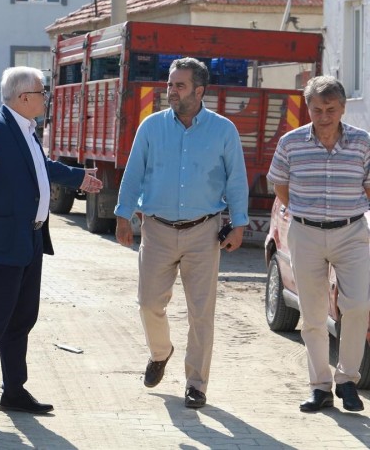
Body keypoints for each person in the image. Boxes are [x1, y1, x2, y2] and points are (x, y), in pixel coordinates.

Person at [0, 66, 102, 425]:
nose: (45, 98)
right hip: (1, 243)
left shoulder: (27, 128)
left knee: (22, 319)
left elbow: (40, 167)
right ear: (23, 97)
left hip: (30, 238)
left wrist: (79, 177)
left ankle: (14, 391)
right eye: (41, 92)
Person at [113, 56, 248, 409]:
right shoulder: (151, 127)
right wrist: (123, 216)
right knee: (148, 303)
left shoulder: (223, 130)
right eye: (170, 84)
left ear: (199, 91)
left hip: (204, 232)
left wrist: (239, 224)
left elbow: (236, 179)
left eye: (179, 85)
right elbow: (133, 172)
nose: (171, 91)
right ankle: (161, 352)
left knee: (201, 312)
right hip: (156, 230)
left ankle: (196, 384)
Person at [267, 76, 370, 413]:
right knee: (312, 313)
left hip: (352, 232)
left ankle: (347, 380)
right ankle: (320, 387)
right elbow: (280, 185)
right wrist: (304, 213)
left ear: (343, 108)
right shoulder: (291, 142)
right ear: (307, 108)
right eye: (317, 109)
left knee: (358, 306)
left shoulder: (362, 142)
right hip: (306, 233)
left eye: (331, 109)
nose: (324, 116)